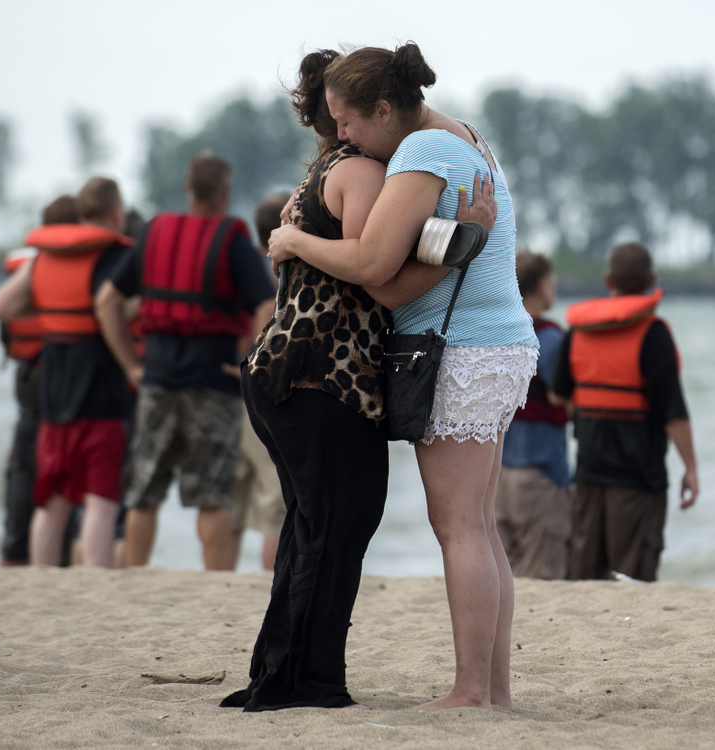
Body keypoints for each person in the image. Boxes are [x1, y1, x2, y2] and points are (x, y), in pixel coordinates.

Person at [265, 44, 538, 710]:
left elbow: (373, 267)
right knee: (480, 525)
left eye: (350, 122)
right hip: (496, 344)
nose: (343, 138)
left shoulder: (420, 153)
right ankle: (493, 691)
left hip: (460, 350)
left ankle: (471, 690)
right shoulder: (464, 138)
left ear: (385, 108)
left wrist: (293, 241)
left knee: (460, 529)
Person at [95, 154, 275, 571]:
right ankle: (212, 583)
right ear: (225, 194)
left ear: (188, 190)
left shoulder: (155, 234)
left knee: (144, 492)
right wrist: (252, 358)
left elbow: (107, 301)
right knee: (212, 495)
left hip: (156, 380)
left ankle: (135, 576)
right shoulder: (232, 241)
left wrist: (129, 364)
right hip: (214, 382)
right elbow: (266, 302)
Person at [0, 177, 136, 567]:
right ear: (115, 212)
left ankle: (41, 581)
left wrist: (44, 301)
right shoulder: (115, 257)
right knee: (101, 502)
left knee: (50, 502)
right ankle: (95, 583)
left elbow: (3, 307)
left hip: (54, 403)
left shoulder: (43, 260)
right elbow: (129, 309)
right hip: (103, 401)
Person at [550, 242, 699, 582]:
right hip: (638, 481)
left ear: (608, 281)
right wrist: (691, 468)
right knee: (633, 578)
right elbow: (673, 413)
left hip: (588, 476)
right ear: (652, 280)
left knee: (585, 577)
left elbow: (559, 397)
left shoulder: (578, 332)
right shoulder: (654, 335)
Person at [0, 194, 78, 566]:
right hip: (66, 401)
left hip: (30, 396)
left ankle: (20, 561)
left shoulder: (29, 267)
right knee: (66, 504)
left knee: (24, 499)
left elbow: (2, 309)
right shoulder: (76, 268)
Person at [495, 251, 572, 579]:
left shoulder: (497, 333)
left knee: (504, 568)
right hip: (540, 471)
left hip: (497, 473)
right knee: (544, 571)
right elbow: (560, 397)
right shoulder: (551, 338)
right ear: (543, 286)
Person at [228, 192, 289, 571]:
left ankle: (221, 577)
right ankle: (271, 578)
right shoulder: (276, 273)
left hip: (224, 392)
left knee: (232, 497)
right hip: (257, 389)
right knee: (275, 502)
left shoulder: (238, 267)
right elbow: (266, 320)